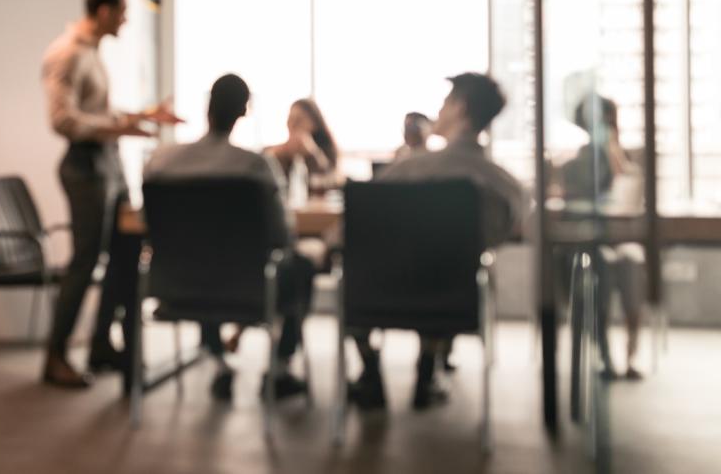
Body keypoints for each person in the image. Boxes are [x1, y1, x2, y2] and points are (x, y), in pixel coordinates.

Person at [348, 73, 526, 410]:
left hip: (379, 294)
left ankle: (371, 370)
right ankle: (428, 367)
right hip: (455, 298)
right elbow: (501, 234)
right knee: (444, 268)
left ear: (459, 108)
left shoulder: (405, 170)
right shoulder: (506, 187)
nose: (439, 111)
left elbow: (351, 228)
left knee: (351, 267)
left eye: (445, 103)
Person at [40, 0, 182, 388]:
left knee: (124, 253)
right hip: (85, 169)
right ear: (103, 11)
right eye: (122, 10)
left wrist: (141, 117)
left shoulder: (91, 54)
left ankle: (102, 344)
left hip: (107, 166)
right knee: (85, 262)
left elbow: (97, 111)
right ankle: (55, 356)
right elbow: (62, 121)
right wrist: (122, 128)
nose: (125, 19)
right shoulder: (66, 54)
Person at [144, 74, 316, 402]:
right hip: (250, 287)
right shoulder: (254, 166)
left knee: (203, 264)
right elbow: (281, 235)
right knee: (302, 267)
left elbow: (148, 227)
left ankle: (220, 363)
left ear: (207, 107)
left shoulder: (161, 163)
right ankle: (279, 369)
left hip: (177, 286)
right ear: (243, 111)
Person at [559, 94, 644, 380]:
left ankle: (630, 357)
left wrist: (613, 152)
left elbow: (631, 192)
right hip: (593, 243)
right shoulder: (577, 161)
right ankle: (604, 357)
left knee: (631, 271)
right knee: (600, 279)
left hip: (623, 241)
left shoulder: (624, 157)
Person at [264, 98, 339, 188]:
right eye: (290, 119)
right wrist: (275, 159)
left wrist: (312, 154)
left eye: (299, 120)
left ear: (314, 123)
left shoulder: (327, 152)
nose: (292, 124)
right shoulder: (272, 151)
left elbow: (333, 181)